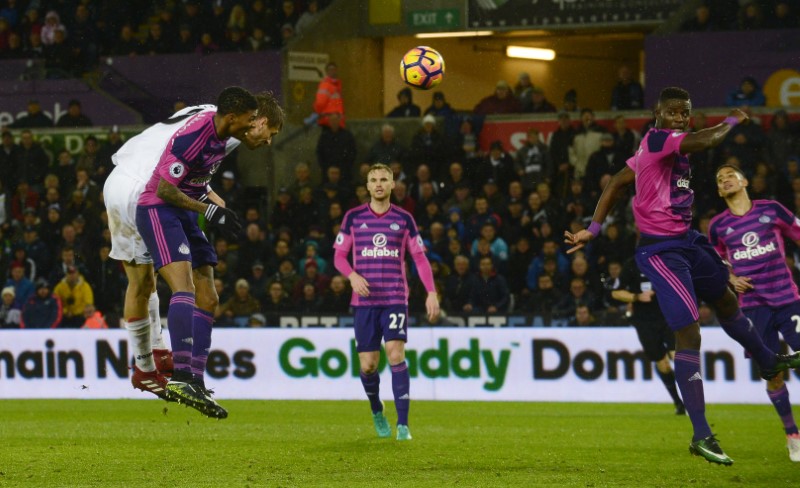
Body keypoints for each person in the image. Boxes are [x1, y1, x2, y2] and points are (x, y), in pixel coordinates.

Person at [564, 86, 800, 466]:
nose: (679, 116)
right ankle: (702, 434)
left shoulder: (649, 149)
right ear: (658, 112)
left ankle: (768, 360)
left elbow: (616, 182)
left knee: (725, 298)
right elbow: (707, 140)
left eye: (685, 111)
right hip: (661, 251)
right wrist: (732, 119)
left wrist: (592, 228)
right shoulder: (661, 139)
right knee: (689, 332)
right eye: (672, 111)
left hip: (688, 241)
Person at [106, 90, 283, 410]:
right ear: (258, 121)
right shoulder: (229, 130)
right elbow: (174, 167)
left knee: (151, 279)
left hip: (139, 175)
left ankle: (162, 358)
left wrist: (209, 194)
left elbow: (190, 159)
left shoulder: (216, 116)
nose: (268, 141)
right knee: (149, 281)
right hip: (139, 185)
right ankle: (146, 368)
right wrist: (208, 207)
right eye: (270, 134)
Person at [333, 163, 440, 441]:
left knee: (395, 355)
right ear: (367, 186)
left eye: (384, 179)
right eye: (374, 180)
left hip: (394, 298)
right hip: (364, 302)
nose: (379, 184)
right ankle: (377, 409)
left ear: (393, 185)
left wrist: (431, 291)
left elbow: (419, 258)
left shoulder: (405, 219)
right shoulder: (353, 218)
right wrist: (352, 275)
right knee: (368, 365)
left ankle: (403, 424)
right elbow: (338, 257)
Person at [708, 164, 800, 462]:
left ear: (744, 180)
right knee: (772, 373)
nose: (725, 180)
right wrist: (731, 279)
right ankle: (793, 436)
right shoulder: (718, 226)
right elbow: (714, 262)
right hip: (753, 308)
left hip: (788, 299)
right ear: (720, 191)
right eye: (720, 180)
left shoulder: (772, 209)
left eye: (730, 175)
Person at [613, 257, 685, 415]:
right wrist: (636, 297)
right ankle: (678, 402)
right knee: (663, 364)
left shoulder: (667, 261)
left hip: (668, 317)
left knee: (678, 357)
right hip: (644, 322)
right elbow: (616, 292)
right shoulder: (631, 265)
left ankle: (692, 400)